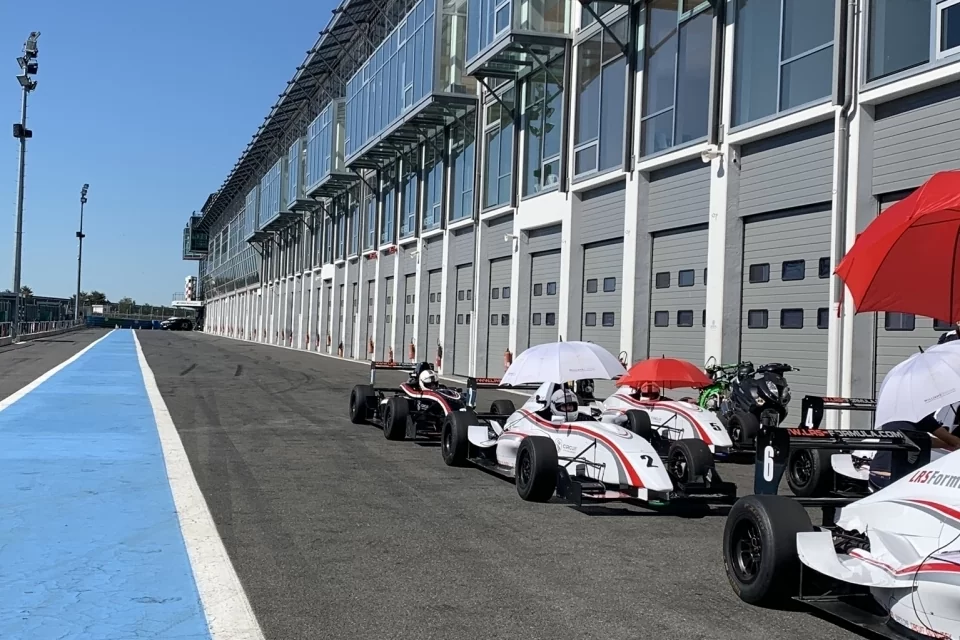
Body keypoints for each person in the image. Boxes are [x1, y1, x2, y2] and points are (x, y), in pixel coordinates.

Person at [868, 412, 960, 491]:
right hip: (900, 474)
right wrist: (951, 444)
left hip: (877, 471)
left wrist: (948, 444)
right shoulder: (921, 415)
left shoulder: (892, 414)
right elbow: (952, 440)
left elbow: (919, 439)